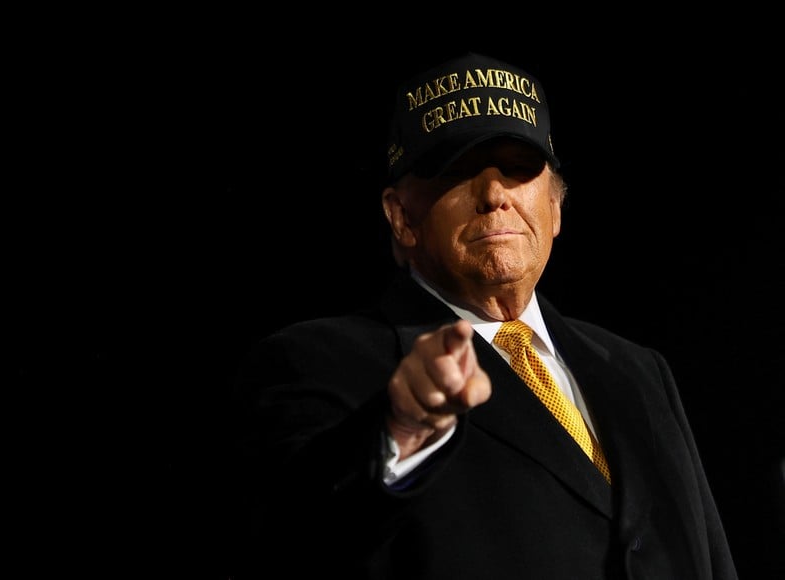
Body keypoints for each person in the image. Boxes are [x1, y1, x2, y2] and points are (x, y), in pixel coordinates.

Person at [229, 52, 739, 579]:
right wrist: (399, 433)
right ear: (402, 218)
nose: (494, 195)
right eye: (458, 170)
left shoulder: (640, 370)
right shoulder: (319, 362)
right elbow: (287, 545)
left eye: (518, 168)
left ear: (556, 207)